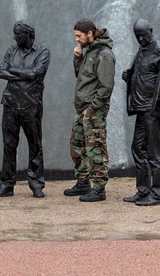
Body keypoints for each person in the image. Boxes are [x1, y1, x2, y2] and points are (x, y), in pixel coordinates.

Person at [122, 19, 160, 206]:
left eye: (143, 35)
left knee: (154, 153)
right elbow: (144, 74)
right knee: (137, 148)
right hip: (141, 110)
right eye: (137, 36)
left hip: (153, 111)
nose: (141, 39)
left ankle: (157, 194)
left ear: (151, 31)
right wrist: (129, 77)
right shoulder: (142, 50)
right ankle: (143, 190)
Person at [0, 20, 50, 199]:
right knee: (9, 146)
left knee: (35, 145)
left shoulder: (42, 52)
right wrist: (24, 74)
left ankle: (36, 184)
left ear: (28, 34)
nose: (15, 36)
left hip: (31, 105)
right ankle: (7, 185)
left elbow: (36, 73)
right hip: (10, 103)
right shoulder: (11, 51)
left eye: (18, 33)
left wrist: (14, 72)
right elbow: (1, 71)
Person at [64, 19, 115, 202]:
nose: (77, 39)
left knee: (95, 148)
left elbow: (106, 86)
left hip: (94, 109)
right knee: (77, 146)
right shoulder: (89, 51)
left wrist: (93, 108)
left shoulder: (104, 54)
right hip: (82, 108)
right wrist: (77, 58)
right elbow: (82, 77)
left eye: (79, 36)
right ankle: (83, 182)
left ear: (90, 34)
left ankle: (99, 188)